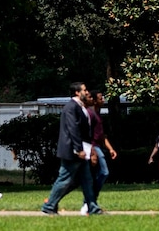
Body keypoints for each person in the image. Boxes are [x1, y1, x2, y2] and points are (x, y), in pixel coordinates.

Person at [40, 82, 101, 216]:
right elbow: (73, 129)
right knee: (64, 179)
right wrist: (78, 149)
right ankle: (49, 206)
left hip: (80, 150)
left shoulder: (79, 107)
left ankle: (93, 208)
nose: (87, 92)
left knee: (87, 180)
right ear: (77, 93)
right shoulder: (71, 107)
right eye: (84, 90)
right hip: (72, 151)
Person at [78, 90, 118, 213]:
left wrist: (110, 149)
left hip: (98, 147)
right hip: (93, 147)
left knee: (95, 176)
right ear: (94, 101)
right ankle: (89, 202)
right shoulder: (90, 114)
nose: (103, 100)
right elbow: (86, 134)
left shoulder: (98, 115)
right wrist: (91, 151)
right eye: (101, 98)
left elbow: (102, 136)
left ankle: (90, 203)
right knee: (103, 172)